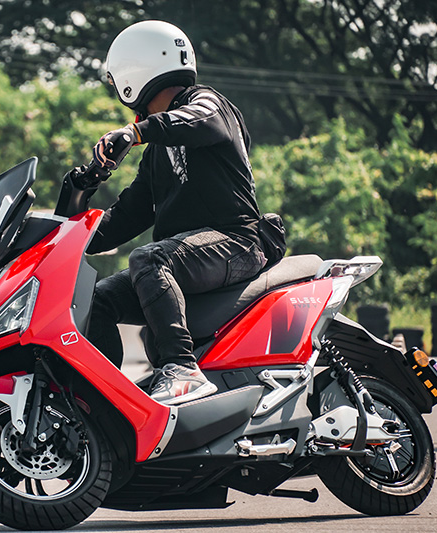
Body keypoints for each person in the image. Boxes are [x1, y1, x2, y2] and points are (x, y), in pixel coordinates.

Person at [85, 20, 267, 405]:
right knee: (97, 300)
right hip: (187, 259)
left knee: (148, 258)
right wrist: (66, 234)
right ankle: (103, 403)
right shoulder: (157, 152)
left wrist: (134, 133)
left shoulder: (208, 104)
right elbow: (128, 215)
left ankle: (181, 370)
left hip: (236, 244)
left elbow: (197, 120)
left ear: (131, 76)